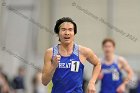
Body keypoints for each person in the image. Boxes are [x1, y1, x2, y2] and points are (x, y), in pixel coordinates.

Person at [42, 17, 101, 93]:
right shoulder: (50, 53)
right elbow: (44, 81)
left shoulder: (83, 51)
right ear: (58, 33)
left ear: (74, 33)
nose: (67, 33)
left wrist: (92, 82)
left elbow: (97, 63)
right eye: (63, 30)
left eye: (70, 29)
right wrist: (53, 65)